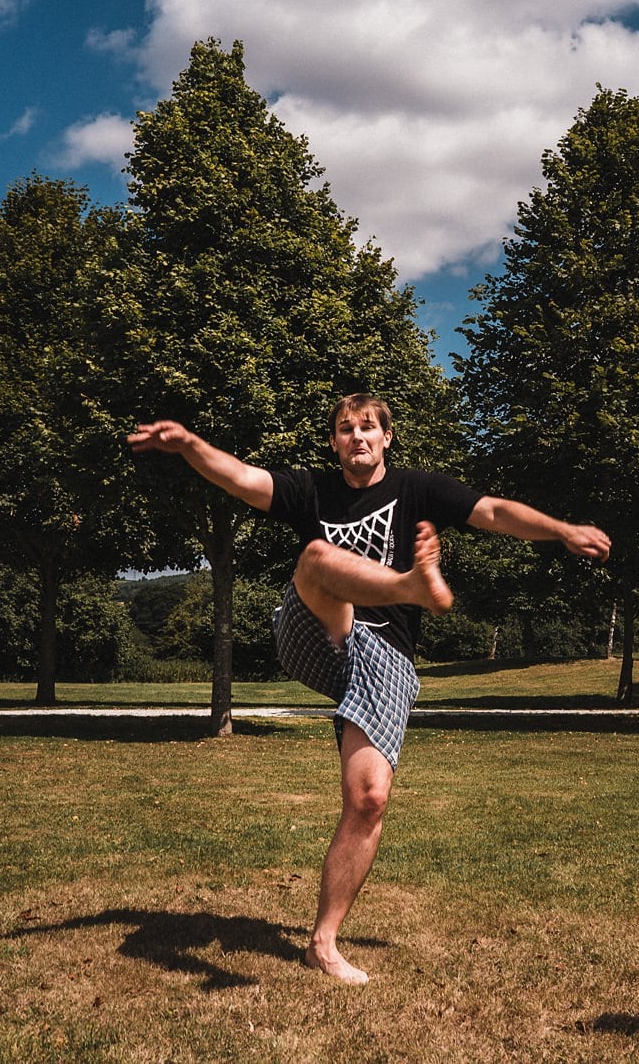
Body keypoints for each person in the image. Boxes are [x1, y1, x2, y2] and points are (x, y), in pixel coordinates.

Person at [127, 394, 610, 986]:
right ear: (334, 442)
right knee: (315, 556)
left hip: (385, 656)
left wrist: (562, 530)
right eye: (344, 429)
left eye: (367, 428)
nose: (357, 436)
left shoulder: (418, 489)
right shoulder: (312, 491)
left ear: (386, 438)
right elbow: (242, 479)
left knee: (369, 798)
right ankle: (410, 586)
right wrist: (189, 446)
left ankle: (322, 945)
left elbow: (493, 510)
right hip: (315, 630)